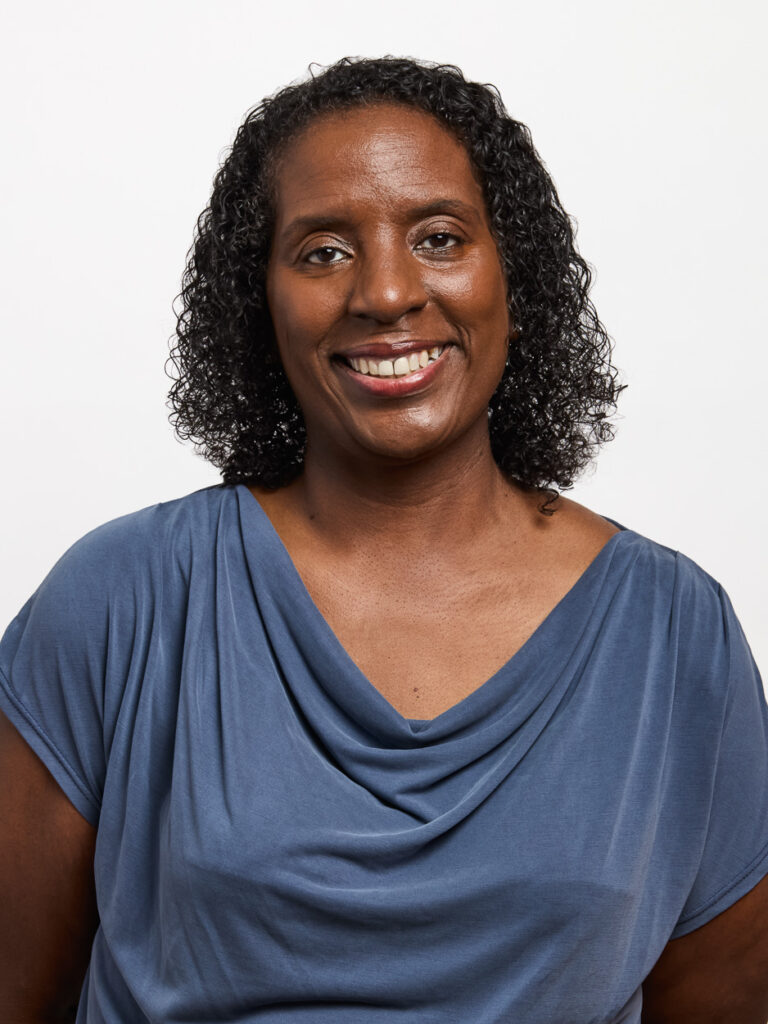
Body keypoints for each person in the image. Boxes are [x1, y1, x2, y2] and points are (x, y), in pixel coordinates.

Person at [1, 56, 767, 1024]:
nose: (388, 292)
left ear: (512, 278)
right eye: (323, 250)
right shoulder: (125, 599)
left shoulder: (674, 636)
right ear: (260, 304)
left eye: (440, 237)